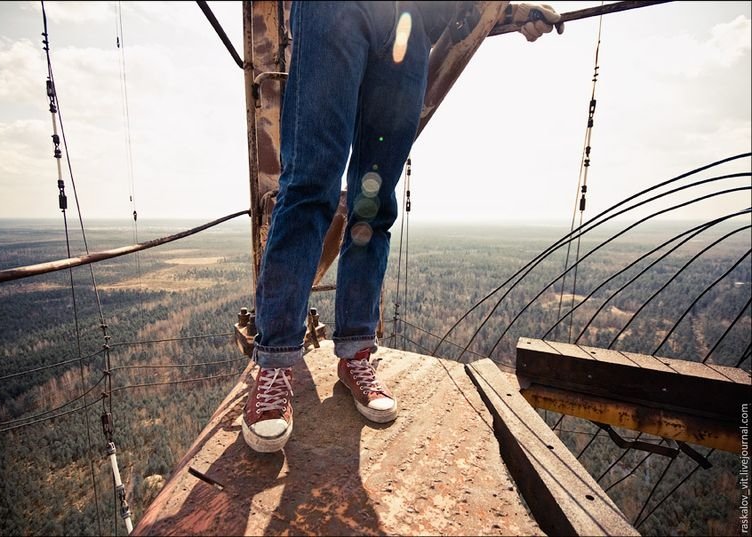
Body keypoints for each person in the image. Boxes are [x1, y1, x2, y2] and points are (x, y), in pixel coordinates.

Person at [242, 1, 564, 453]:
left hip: (412, 20)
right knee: (311, 181)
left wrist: (507, 12)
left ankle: (355, 351)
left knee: (373, 200)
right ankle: (275, 364)